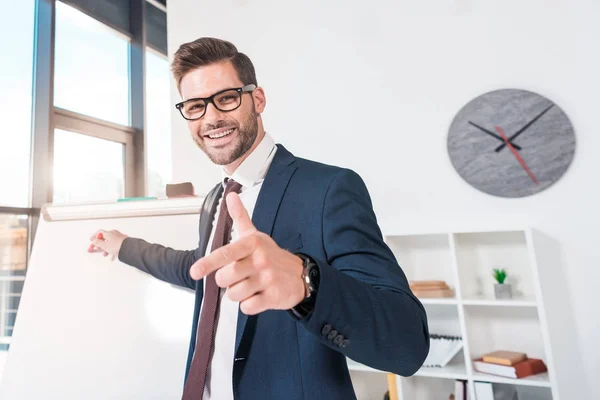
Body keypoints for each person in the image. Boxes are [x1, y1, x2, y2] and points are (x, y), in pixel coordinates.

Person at [89, 37, 429, 400]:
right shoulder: (215, 200)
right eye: (195, 106)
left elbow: (406, 342)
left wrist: (305, 283)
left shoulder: (328, 189)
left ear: (258, 99)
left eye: (227, 98)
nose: (212, 117)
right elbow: (199, 268)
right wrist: (123, 246)